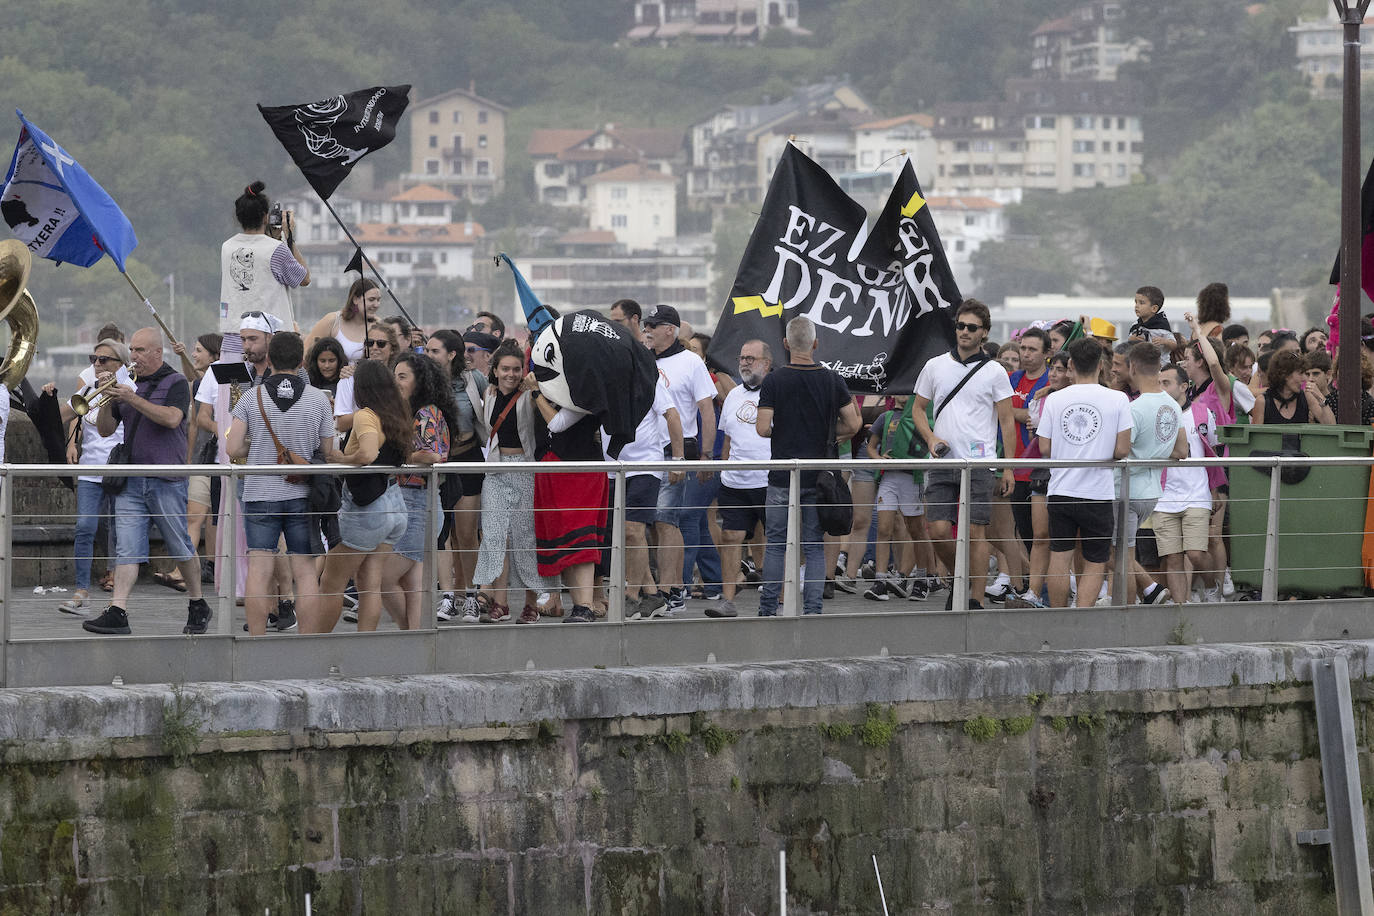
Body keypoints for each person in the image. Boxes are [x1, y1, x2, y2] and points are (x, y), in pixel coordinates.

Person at [84, 328, 211, 635]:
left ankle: (198, 603)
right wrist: (105, 398)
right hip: (131, 479)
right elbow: (104, 429)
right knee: (127, 549)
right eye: (132, 350)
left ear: (158, 352)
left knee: (179, 545)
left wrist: (132, 398)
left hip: (166, 479)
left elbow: (171, 419)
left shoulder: (176, 382)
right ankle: (118, 610)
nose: (134, 356)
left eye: (140, 350)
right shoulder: (128, 384)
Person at [225, 331, 334, 635]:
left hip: (260, 493)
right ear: (302, 361)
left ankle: (257, 639)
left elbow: (232, 449)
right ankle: (307, 641)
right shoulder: (319, 400)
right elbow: (326, 452)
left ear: (270, 359)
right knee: (305, 572)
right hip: (302, 495)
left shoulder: (251, 396)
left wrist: (259, 446)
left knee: (259, 570)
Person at [911, 299, 1017, 610]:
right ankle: (963, 579)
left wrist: (1007, 468)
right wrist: (930, 437)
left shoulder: (995, 371)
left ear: (984, 333)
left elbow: (1007, 420)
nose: (965, 332)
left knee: (975, 532)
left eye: (972, 327)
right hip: (943, 458)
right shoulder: (935, 365)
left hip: (981, 462)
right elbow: (918, 409)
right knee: (938, 529)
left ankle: (975, 598)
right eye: (960, 326)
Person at [755, 316, 861, 615]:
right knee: (814, 544)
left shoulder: (774, 380)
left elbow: (763, 428)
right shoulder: (831, 379)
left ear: (786, 344)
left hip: (781, 476)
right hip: (819, 478)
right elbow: (853, 423)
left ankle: (767, 610)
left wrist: (787, 432)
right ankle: (813, 610)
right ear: (815, 343)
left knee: (776, 544)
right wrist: (827, 437)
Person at [313, 360, 411, 633]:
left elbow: (368, 454)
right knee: (370, 584)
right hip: (394, 503)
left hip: (367, 510)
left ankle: (313, 647)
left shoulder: (366, 415)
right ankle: (364, 646)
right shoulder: (397, 412)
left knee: (331, 583)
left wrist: (341, 459)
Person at [469, 341, 559, 625]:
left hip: (525, 468)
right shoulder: (489, 393)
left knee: (525, 537)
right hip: (495, 471)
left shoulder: (531, 395)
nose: (510, 374)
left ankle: (531, 604)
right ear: (494, 370)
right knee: (495, 536)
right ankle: (501, 602)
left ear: (524, 370)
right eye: (505, 369)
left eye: (516, 369)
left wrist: (533, 390)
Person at [1038, 338, 1133, 609]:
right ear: (1101, 365)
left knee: (1059, 556)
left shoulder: (1055, 399)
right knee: (1095, 560)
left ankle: (1058, 618)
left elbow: (1044, 446)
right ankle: (1082, 617)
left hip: (1061, 490)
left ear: (1070, 365)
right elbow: (1123, 449)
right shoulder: (1117, 399)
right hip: (1098, 492)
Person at [50, 339, 136, 616]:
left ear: (121, 364)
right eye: (94, 359)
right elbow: (59, 416)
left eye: (104, 359)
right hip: (90, 470)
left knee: (122, 533)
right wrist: (45, 398)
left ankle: (119, 599)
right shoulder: (88, 389)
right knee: (85, 527)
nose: (97, 364)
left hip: (120, 470)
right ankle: (81, 591)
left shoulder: (130, 389)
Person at [642, 304, 718, 612]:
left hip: (676, 449)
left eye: (654, 326)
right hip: (644, 448)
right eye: (646, 325)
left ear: (670, 330)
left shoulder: (691, 362)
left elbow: (707, 410)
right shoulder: (643, 360)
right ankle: (654, 589)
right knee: (645, 523)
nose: (648, 330)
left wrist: (706, 455)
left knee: (666, 520)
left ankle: (672, 589)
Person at [381, 352, 456, 629]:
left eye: (403, 376)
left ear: (419, 381)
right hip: (411, 501)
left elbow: (432, 455)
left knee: (382, 579)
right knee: (412, 584)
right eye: (394, 376)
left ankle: (410, 634)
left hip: (418, 502)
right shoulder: (414, 411)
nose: (396, 382)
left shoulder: (425, 413)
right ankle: (413, 636)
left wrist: (395, 457)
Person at [706, 340, 773, 619]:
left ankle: (776, 599)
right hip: (734, 481)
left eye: (751, 358)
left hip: (769, 480)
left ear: (767, 364)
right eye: (742, 357)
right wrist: (723, 469)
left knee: (774, 540)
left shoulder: (778, 392)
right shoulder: (732, 395)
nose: (744, 362)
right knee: (730, 536)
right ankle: (728, 600)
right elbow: (728, 440)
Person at [424, 327, 488, 620]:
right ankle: (449, 595)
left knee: (466, 533)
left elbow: (492, 407)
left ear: (452, 355)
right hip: (437, 466)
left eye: (434, 351)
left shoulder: (473, 380)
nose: (428, 355)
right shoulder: (423, 381)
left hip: (468, 461)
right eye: (426, 350)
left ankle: (472, 595)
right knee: (442, 533)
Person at [1116, 342, 1184, 605]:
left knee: (1120, 556)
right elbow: (1181, 451)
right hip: (1153, 491)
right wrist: (1154, 455)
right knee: (1122, 554)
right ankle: (1149, 591)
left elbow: (1119, 450)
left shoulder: (1134, 408)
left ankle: (1126, 612)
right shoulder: (1173, 405)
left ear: (1132, 367)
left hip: (1127, 490)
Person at [1155, 363, 1218, 604]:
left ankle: (1212, 585)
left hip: (1197, 494)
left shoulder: (1202, 413)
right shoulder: (1155, 414)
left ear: (1184, 386)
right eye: (1159, 383)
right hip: (1164, 496)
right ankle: (1182, 611)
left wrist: (1216, 490)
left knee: (1195, 553)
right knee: (1172, 557)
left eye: (1166, 383)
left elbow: (1212, 451)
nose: (1161, 388)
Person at [220, 182, 309, 335]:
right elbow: (304, 279)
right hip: (269, 339)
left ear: (239, 217)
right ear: (266, 217)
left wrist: (273, 238)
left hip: (234, 334)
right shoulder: (276, 249)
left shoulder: (227, 247)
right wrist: (288, 237)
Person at [304, 279, 380, 364]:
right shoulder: (333, 321)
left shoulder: (379, 326)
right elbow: (306, 351)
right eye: (371, 299)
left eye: (378, 300)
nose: (376, 305)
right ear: (355, 299)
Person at [1253, 350, 1334, 425]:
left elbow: (1331, 425)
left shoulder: (1306, 396)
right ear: (1284, 374)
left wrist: (1320, 397)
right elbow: (1256, 437)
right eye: (1300, 373)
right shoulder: (1263, 401)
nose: (1305, 379)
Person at [1126, 285, 1176, 360]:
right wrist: (1132, 339)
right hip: (1141, 364)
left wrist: (1164, 341)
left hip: (1161, 366)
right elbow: (1129, 342)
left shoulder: (1162, 325)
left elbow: (1174, 345)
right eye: (1136, 302)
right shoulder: (1136, 325)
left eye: (1141, 303)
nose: (1136, 306)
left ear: (1154, 308)